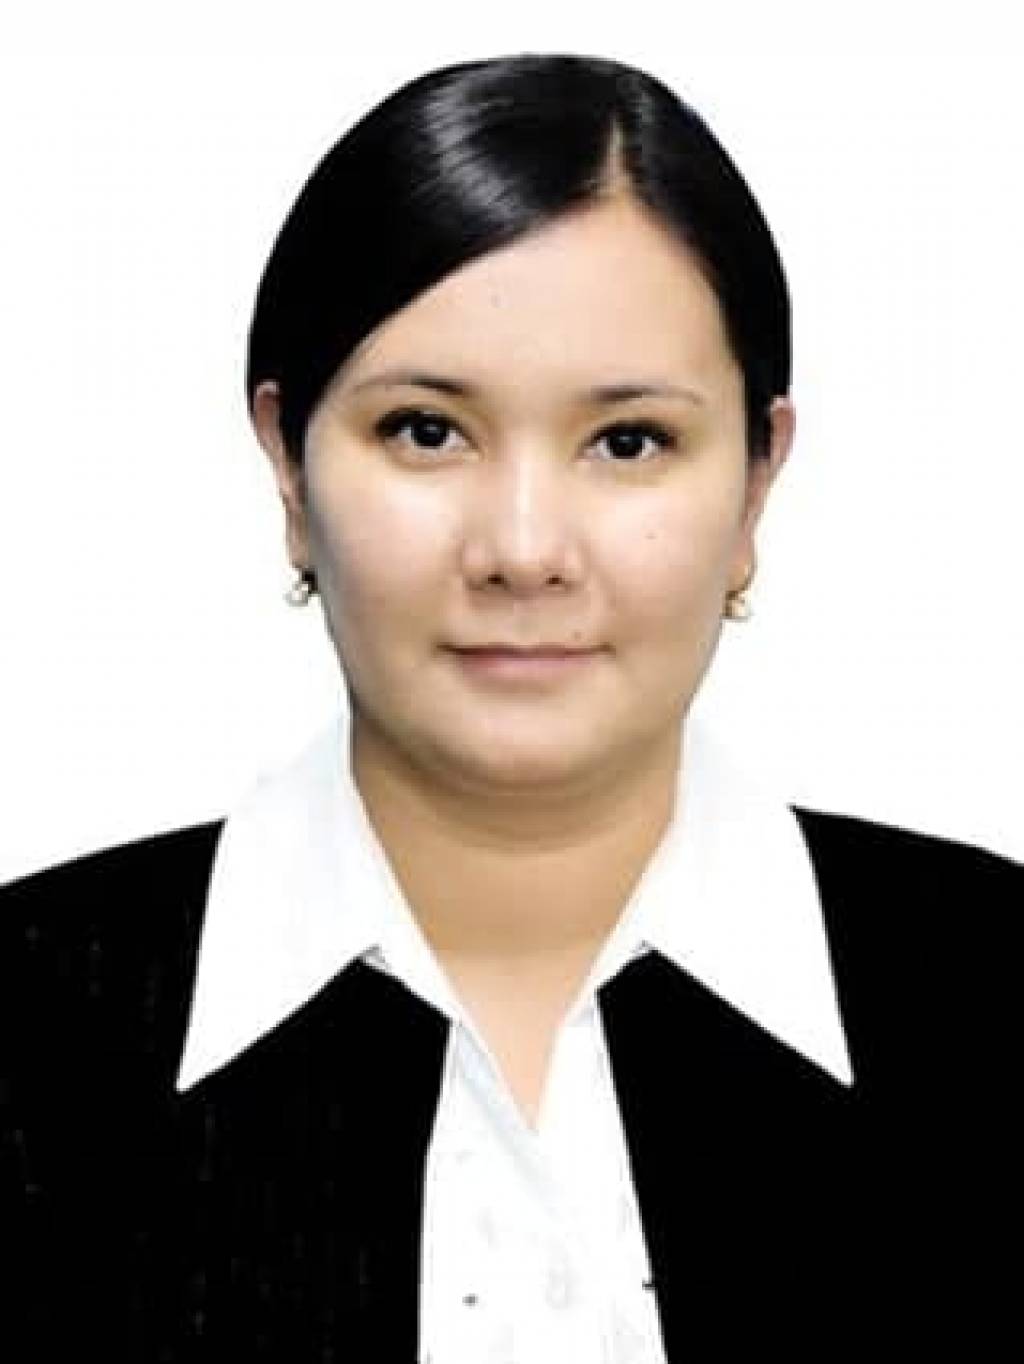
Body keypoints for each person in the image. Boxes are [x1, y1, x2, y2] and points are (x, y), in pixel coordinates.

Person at [1, 51, 1019, 1363]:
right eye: (426, 431)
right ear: (290, 467)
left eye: (629, 442)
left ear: (756, 483)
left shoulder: (993, 991)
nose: (525, 550)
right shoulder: (34, 1023)